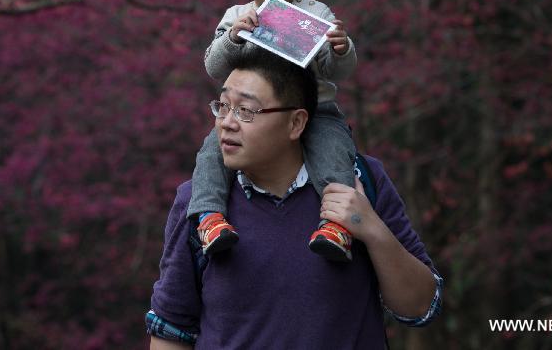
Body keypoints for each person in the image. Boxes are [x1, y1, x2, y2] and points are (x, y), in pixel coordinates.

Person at [147, 51, 443, 348]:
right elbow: (171, 329)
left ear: (296, 123)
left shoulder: (362, 183)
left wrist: (372, 229)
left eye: (246, 110)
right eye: (222, 107)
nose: (226, 123)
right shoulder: (198, 202)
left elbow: (420, 307)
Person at [191, 0, 359, 261]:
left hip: (316, 110)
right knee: (211, 152)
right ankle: (209, 218)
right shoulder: (235, 16)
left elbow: (333, 71)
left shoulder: (316, 14)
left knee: (334, 150)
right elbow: (213, 67)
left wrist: (341, 48)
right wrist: (234, 37)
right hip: (249, 114)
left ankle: (338, 226)